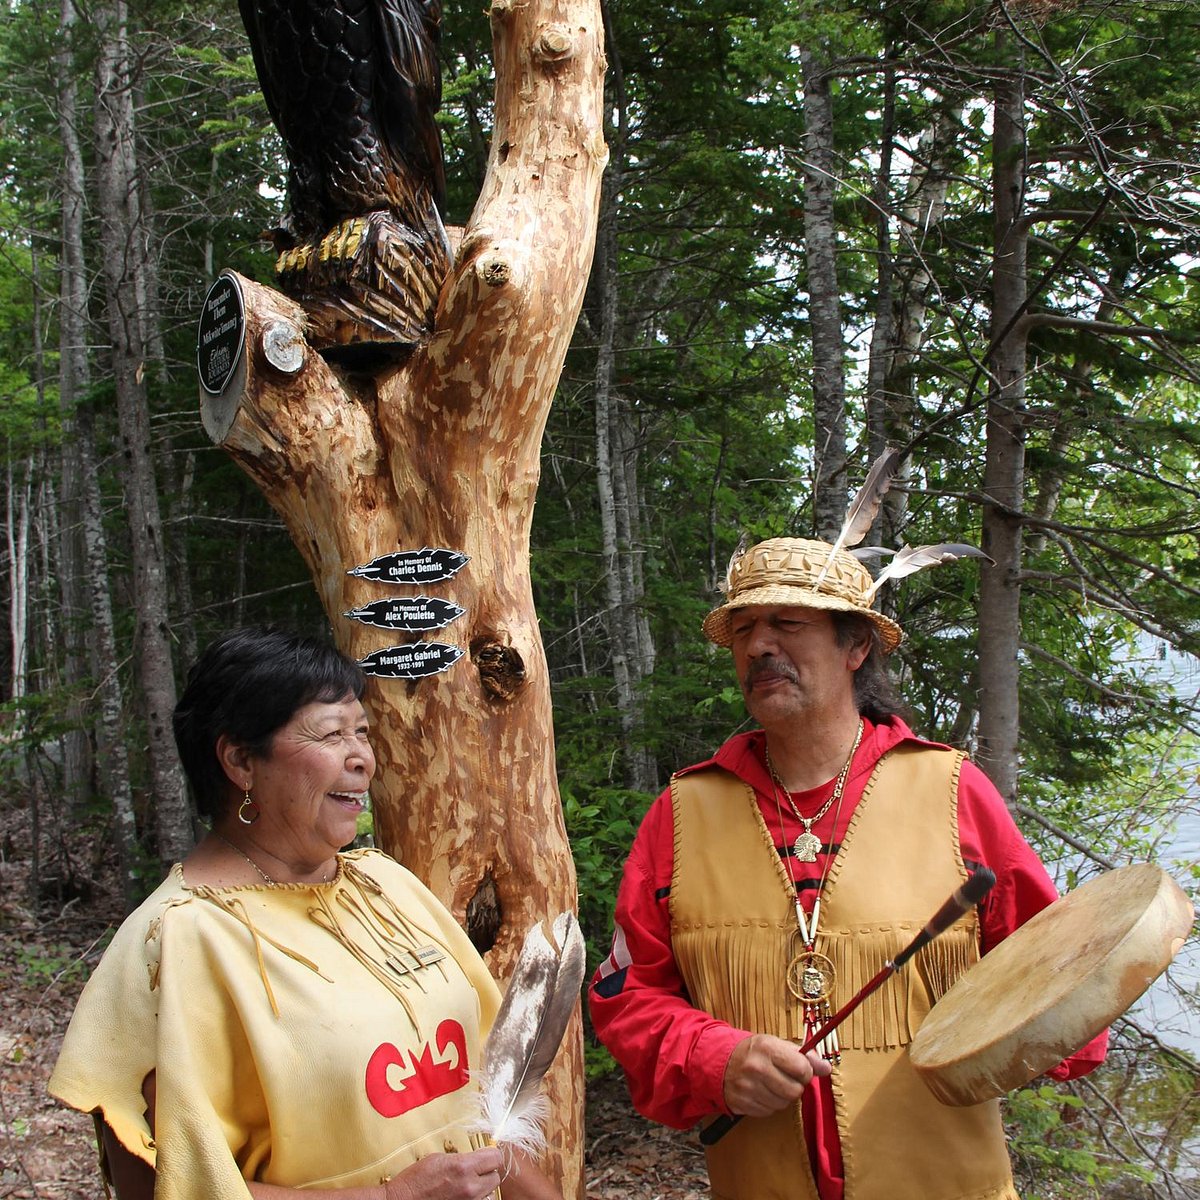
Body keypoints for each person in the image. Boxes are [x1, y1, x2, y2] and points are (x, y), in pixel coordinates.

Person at [588, 537, 1108, 1200]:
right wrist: (713, 1059)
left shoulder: (953, 792)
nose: (759, 647)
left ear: (855, 647)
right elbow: (624, 998)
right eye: (743, 630)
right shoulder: (682, 814)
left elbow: (1056, 973)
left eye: (789, 624)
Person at [50, 627, 562, 1200]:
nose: (362, 758)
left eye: (362, 733)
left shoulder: (388, 886)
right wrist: (389, 1199)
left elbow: (485, 1105)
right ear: (241, 761)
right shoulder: (177, 941)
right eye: (330, 734)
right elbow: (151, 1187)